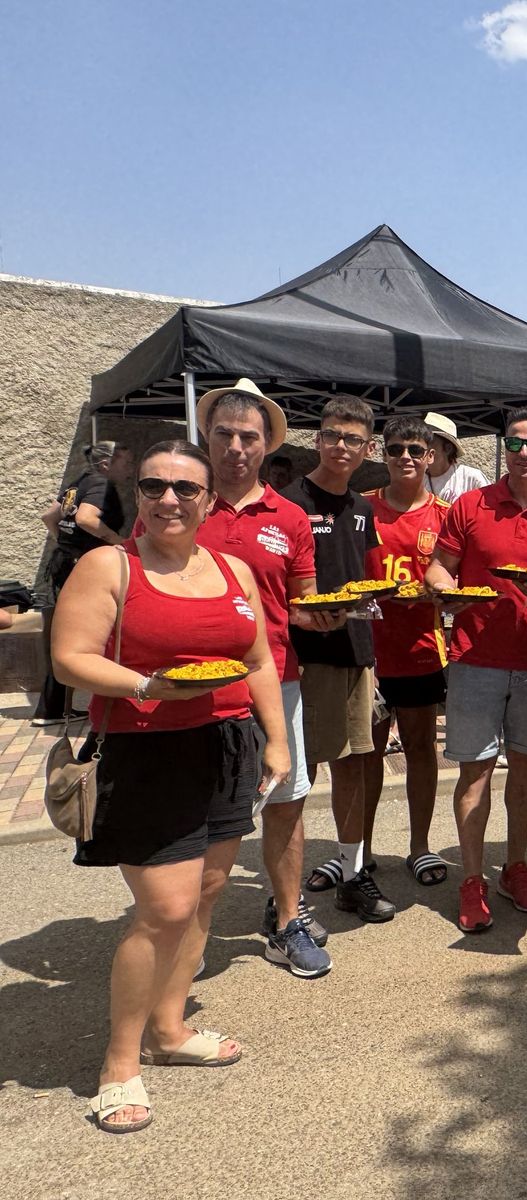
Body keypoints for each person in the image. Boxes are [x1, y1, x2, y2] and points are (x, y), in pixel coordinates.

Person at [51, 439, 288, 1133]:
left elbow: (257, 659)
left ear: (209, 500)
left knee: (206, 895)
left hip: (227, 744)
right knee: (164, 908)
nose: (170, 500)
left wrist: (276, 738)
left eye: (186, 489)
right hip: (145, 749)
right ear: (140, 497)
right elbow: (69, 659)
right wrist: (146, 685)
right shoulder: (109, 565)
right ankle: (119, 1065)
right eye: (154, 487)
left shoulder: (232, 567)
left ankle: (169, 1029)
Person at [427, 408, 527, 931]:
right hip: (476, 658)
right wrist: (442, 591)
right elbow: (439, 567)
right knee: (474, 770)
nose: (524, 453)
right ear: (504, 450)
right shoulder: (471, 506)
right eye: (514, 444)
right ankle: (472, 879)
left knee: (525, 769)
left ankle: (515, 866)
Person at [189, 380, 329, 978]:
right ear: (207, 438)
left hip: (277, 679)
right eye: (224, 435)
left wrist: (325, 615)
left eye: (249, 437)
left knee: (285, 803)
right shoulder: (182, 502)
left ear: (267, 445)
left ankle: (286, 920)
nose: (236, 448)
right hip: (193, 683)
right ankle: (187, 932)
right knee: (194, 807)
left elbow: (299, 602)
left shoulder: (291, 516)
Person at [284, 398, 391, 924]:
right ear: (317, 440)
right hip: (303, 659)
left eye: (352, 439)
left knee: (353, 766)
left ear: (367, 448)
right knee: (297, 776)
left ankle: (352, 874)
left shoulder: (363, 509)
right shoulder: (288, 504)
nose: (341, 447)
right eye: (331, 436)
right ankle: (285, 892)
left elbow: (364, 578)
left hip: (355, 653)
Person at [359, 416, 451, 890]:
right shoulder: (360, 509)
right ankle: (361, 851)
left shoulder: (444, 514)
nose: (407, 459)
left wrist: (440, 594)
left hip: (420, 650)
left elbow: (457, 580)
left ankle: (419, 845)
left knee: (419, 749)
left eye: (416, 450)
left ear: (432, 456)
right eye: (397, 450)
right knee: (366, 753)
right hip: (367, 653)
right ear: (383, 454)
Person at [34, 440, 132, 725]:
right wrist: (120, 542)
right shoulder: (102, 484)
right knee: (88, 635)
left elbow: (49, 516)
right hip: (82, 568)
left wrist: (64, 542)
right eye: (125, 462)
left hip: (63, 564)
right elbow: (87, 519)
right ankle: (106, 699)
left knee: (63, 634)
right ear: (107, 464)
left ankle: (53, 709)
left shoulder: (79, 482)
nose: (130, 468)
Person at [422, 412, 488, 505]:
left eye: (429, 441)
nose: (422, 447)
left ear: (448, 448)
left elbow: (488, 511)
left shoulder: (472, 478)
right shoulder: (417, 480)